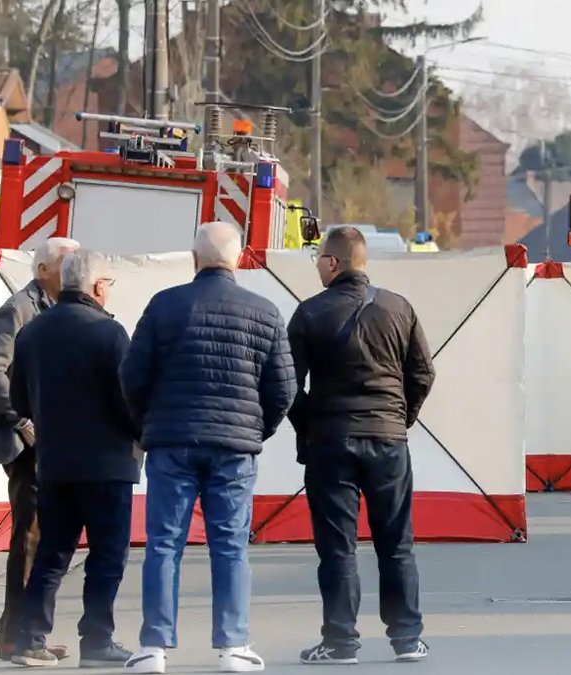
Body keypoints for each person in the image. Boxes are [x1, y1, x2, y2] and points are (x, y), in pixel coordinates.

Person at [120, 221, 296, 674]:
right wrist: (257, 429)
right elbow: (284, 388)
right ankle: (233, 647)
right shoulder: (265, 311)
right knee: (231, 545)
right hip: (235, 449)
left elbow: (132, 375)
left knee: (163, 544)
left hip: (171, 442)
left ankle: (153, 649)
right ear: (238, 258)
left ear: (194, 258)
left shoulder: (163, 306)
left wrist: (148, 425)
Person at [288, 226, 435, 666]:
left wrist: (313, 425)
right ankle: (407, 639)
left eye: (318, 258)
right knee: (396, 543)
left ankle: (340, 643)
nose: (317, 265)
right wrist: (398, 418)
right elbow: (423, 374)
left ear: (333, 263)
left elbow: (287, 385)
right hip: (389, 441)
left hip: (331, 443)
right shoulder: (398, 308)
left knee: (338, 547)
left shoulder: (310, 314)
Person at [7, 249, 139, 668]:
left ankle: (31, 639)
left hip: (56, 463)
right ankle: (96, 641)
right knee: (106, 556)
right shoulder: (110, 334)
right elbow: (128, 400)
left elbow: (18, 399)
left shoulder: (32, 332)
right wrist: (142, 435)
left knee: (52, 554)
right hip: (108, 466)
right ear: (98, 286)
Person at [0, 236, 78, 661]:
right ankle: (15, 636)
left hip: (50, 444)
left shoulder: (54, 309)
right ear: (44, 271)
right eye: (67, 265)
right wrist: (21, 418)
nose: (75, 275)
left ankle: (28, 632)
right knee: (30, 537)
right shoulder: (20, 307)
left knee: (43, 536)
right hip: (26, 446)